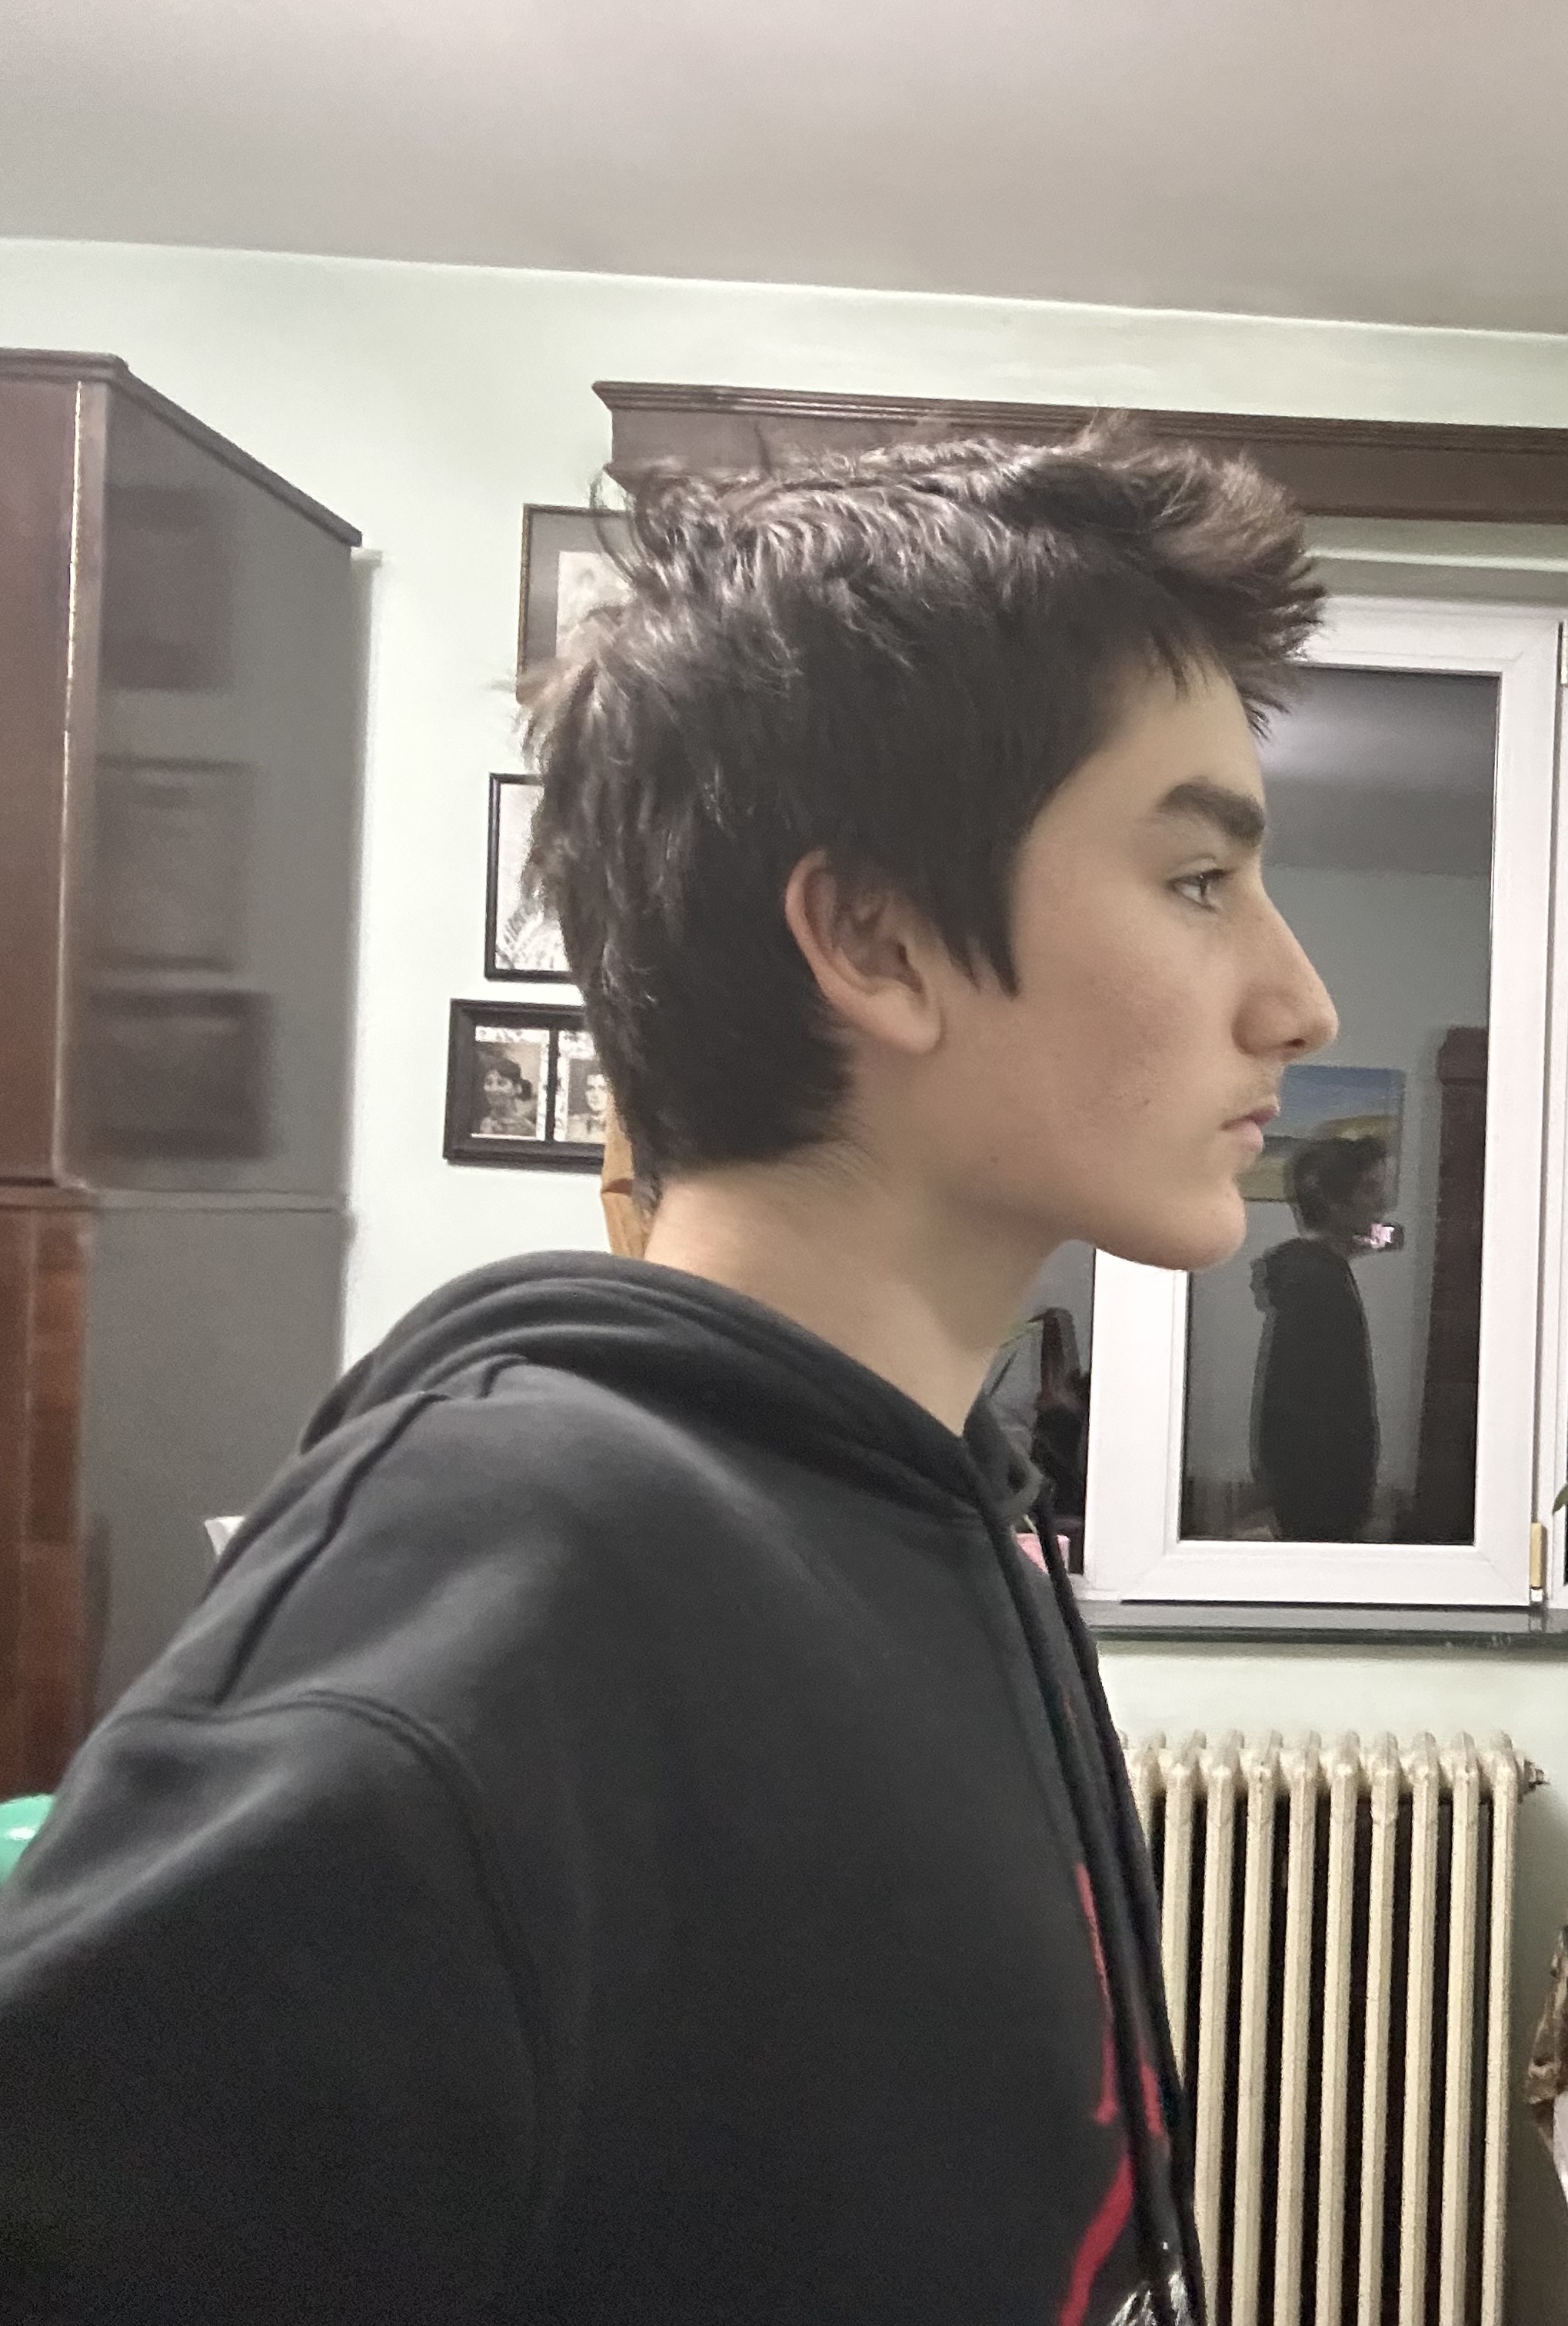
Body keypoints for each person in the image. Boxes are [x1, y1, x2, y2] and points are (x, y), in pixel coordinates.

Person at [0, 428, 1337, 2326]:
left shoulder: (940, 1512)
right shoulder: (501, 1576)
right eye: (1197, 876)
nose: (1297, 1000)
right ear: (874, 937)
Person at [1250, 1134, 1388, 1540]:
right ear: (1334, 1203)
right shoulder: (1318, 1285)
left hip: (1315, 1490)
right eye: (1369, 1190)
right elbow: (1311, 1409)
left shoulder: (1315, 1268)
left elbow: (1390, 1235)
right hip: (1321, 1496)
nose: (1380, 1203)